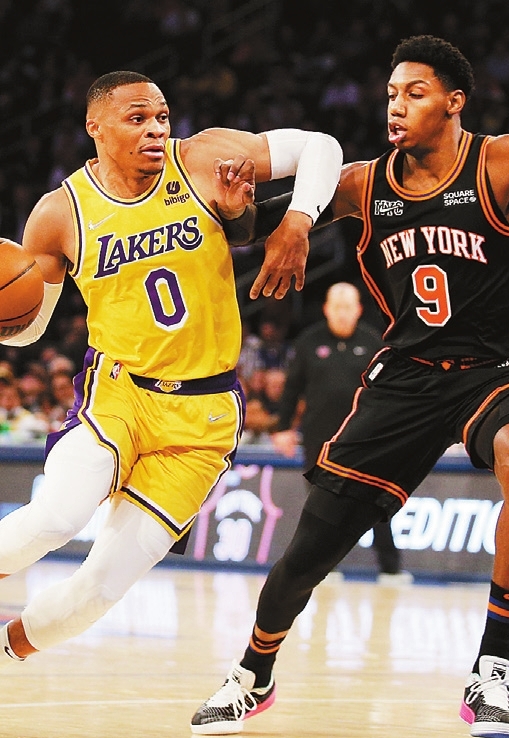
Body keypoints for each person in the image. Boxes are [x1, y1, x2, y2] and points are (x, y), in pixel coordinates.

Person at [190, 35, 509, 738]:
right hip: (405, 376)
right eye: (391, 94)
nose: (396, 106)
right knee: (311, 547)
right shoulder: (364, 184)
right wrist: (239, 206)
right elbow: (257, 229)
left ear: (455, 102)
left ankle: (492, 668)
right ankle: (253, 672)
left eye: (415, 94)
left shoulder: (500, 162)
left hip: (494, 368)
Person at [0, 72, 343, 671]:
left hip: (203, 417)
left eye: (161, 116)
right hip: (119, 395)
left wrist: (298, 219)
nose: (156, 129)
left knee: (98, 591)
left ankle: (8, 648)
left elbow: (323, 148)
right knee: (57, 516)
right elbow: (30, 328)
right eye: (137, 118)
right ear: (95, 126)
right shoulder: (59, 213)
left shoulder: (203, 159)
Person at [271, 281, 409, 582]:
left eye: (348, 307)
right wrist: (282, 428)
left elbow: (390, 392)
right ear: (326, 309)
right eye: (337, 307)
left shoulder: (373, 343)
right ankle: (323, 567)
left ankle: (390, 567)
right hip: (319, 438)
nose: (342, 313)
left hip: (365, 437)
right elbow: (292, 388)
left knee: (375, 499)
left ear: (358, 309)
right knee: (320, 505)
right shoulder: (308, 342)